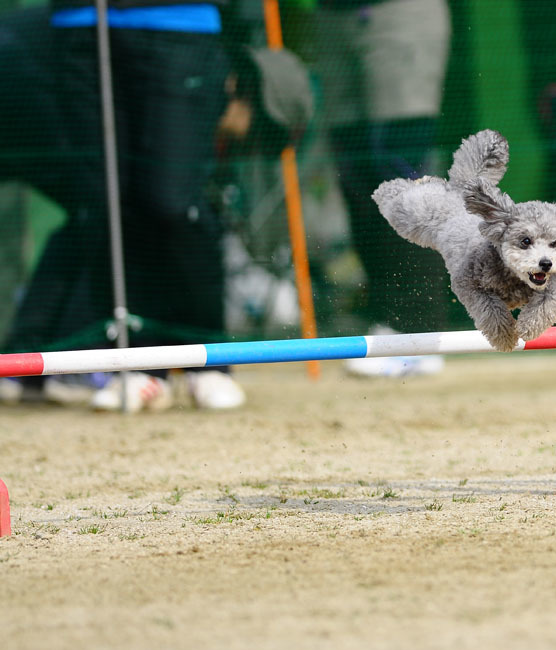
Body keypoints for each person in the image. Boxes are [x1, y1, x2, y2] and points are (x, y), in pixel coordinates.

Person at [0, 3, 314, 411]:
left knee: (131, 210)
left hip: (157, 21)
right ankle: (127, 363)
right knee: (110, 212)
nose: (239, 152)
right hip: (79, 29)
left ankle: (155, 363)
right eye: (252, 140)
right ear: (244, 94)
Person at [301, 0, 452, 376]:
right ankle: (386, 320)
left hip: (399, 14)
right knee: (356, 177)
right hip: (331, 16)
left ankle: (417, 331)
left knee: (403, 177)